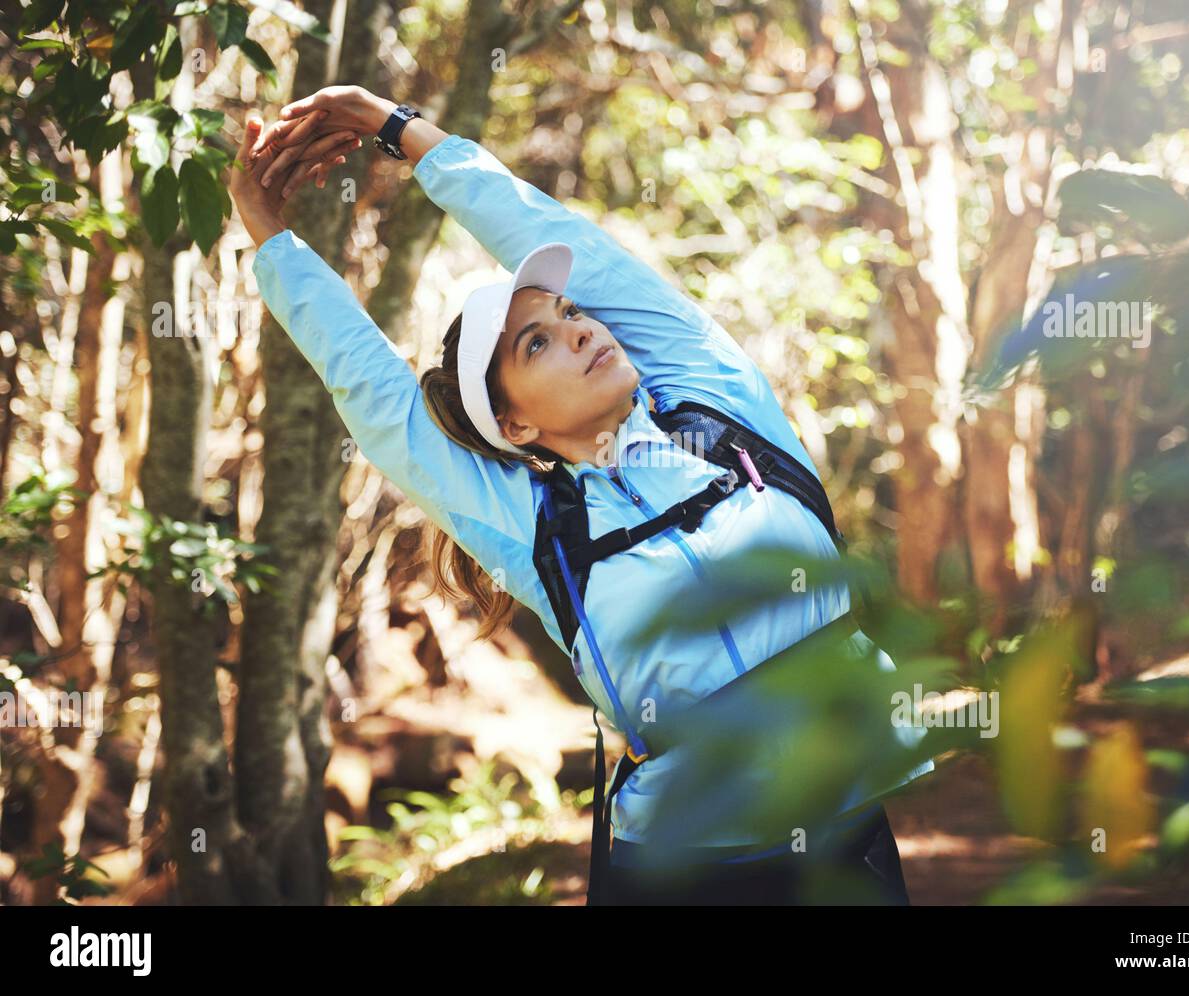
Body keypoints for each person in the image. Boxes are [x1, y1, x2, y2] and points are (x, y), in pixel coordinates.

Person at [228, 85, 935, 905]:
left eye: (569, 314)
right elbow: (378, 398)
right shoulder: (535, 528)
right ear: (514, 425)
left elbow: (573, 248)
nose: (582, 330)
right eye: (539, 343)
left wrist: (397, 129)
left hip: (844, 840)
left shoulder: (726, 414)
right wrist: (269, 236)